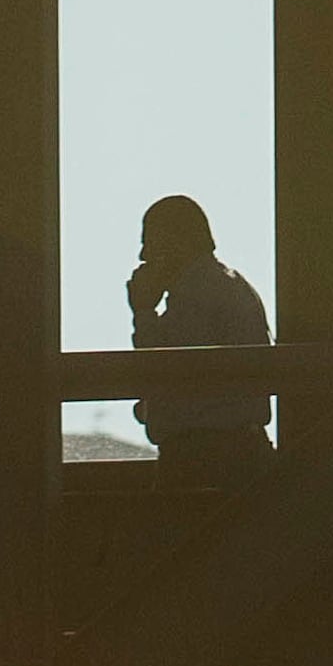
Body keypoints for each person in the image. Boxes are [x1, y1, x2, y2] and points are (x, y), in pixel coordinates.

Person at [125, 194, 272, 481]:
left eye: (150, 243)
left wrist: (143, 312)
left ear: (176, 243)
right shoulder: (224, 285)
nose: (143, 255)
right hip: (231, 452)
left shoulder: (197, 296)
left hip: (206, 457)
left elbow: (164, 371)